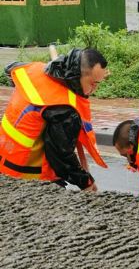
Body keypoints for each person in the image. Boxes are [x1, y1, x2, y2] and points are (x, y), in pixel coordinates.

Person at [0, 48, 109, 191]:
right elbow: (62, 158)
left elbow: (10, 68)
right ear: (76, 76)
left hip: (5, 162)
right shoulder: (63, 109)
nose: (95, 89)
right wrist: (86, 183)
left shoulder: (35, 71)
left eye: (98, 84)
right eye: (93, 83)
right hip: (28, 177)